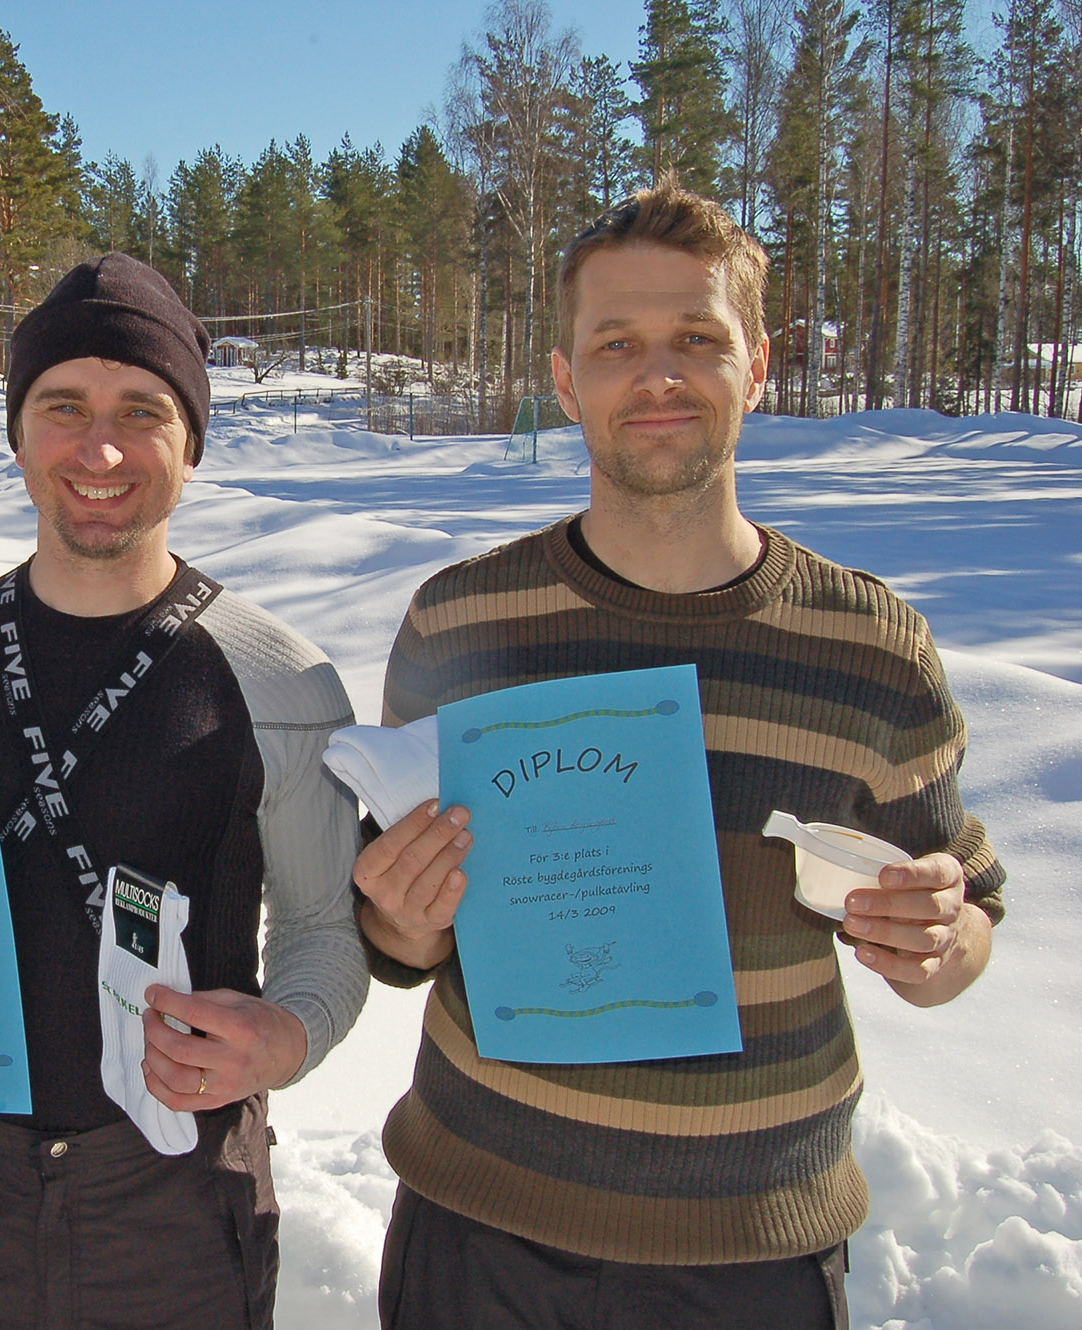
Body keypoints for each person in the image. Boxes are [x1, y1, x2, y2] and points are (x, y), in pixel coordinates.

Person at [354, 180, 1004, 1329]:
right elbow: (398, 933)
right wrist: (399, 917)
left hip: (750, 1252)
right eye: (615, 343)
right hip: (479, 1233)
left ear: (755, 364)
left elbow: (963, 919)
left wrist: (940, 935)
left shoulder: (869, 646)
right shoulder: (457, 623)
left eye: (696, 338)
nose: (656, 376)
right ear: (564, 381)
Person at [0, 254, 369, 1330]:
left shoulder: (281, 680)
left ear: (190, 441)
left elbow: (324, 929)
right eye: (62, 407)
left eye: (142, 411)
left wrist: (285, 1036)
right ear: (19, 432)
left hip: (175, 1194)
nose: (100, 448)